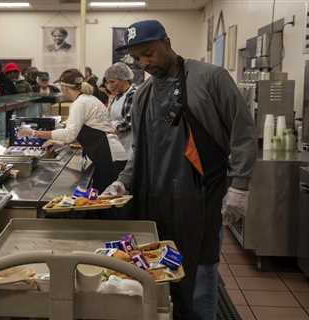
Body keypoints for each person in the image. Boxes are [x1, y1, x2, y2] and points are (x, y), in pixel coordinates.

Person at [102, 20, 257, 320]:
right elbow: (138, 151)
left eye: (149, 53)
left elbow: (243, 133)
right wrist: (122, 182)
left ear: (168, 42)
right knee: (160, 279)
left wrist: (240, 186)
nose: (145, 63)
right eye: (137, 58)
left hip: (198, 200)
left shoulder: (210, 79)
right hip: (154, 202)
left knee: (199, 276)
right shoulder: (145, 95)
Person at [18, 68, 127, 193]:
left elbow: (69, 134)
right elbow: (89, 130)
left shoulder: (80, 103)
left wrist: (33, 132)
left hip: (109, 157)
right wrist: (60, 142)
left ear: (64, 87)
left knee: (107, 203)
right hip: (112, 155)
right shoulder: (88, 99)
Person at [104, 62, 137, 153]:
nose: (109, 85)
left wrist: (110, 128)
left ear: (124, 79)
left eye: (112, 82)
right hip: (118, 142)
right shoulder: (117, 96)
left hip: (129, 145)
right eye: (108, 82)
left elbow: (128, 123)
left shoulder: (133, 95)